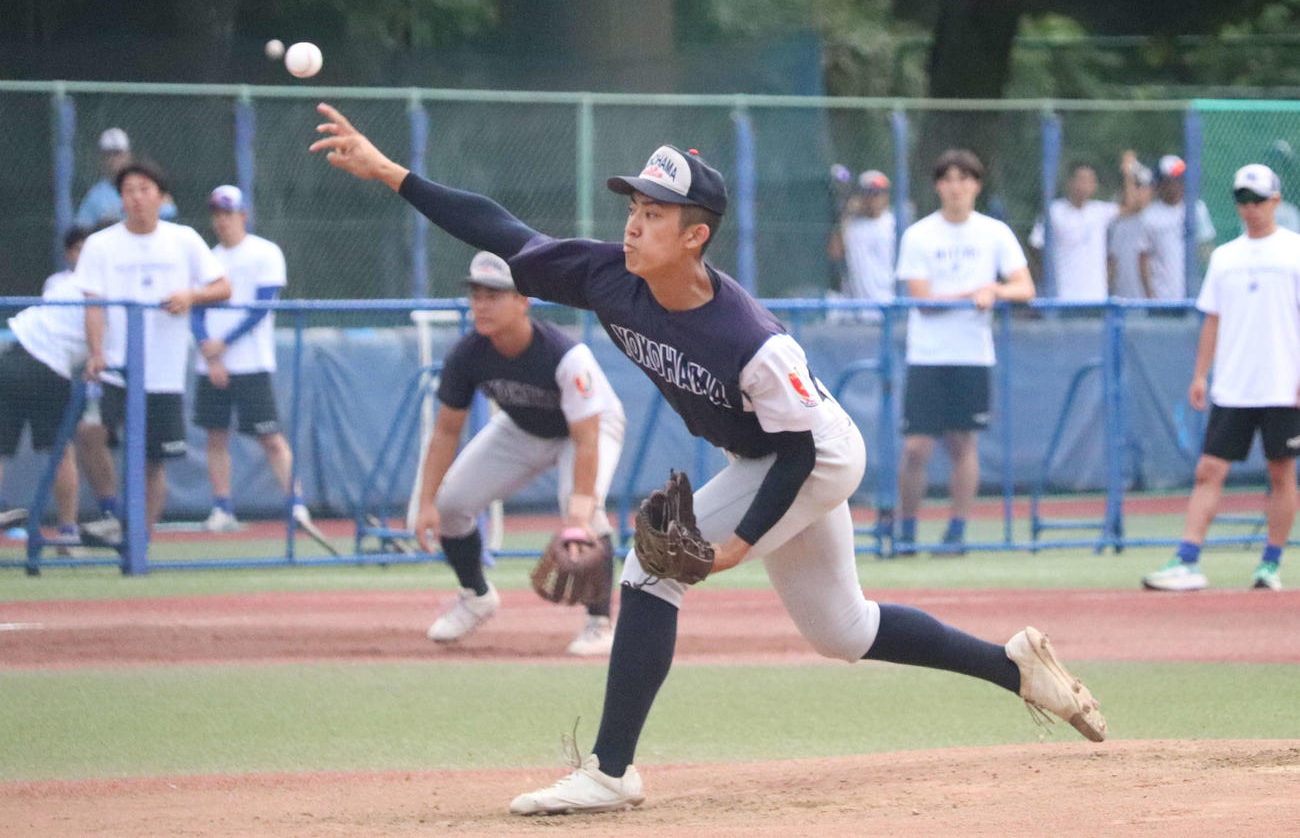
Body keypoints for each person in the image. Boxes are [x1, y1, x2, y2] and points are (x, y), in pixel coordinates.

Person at [309, 103, 1105, 817]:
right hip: (766, 455)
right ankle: (1014, 665)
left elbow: (798, 450)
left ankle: (611, 769)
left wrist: (736, 545)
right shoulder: (608, 278)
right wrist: (390, 173)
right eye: (633, 206)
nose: (633, 224)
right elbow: (502, 230)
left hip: (814, 455)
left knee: (650, 568)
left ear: (696, 235)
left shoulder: (750, 337)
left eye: (654, 213)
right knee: (844, 629)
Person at [413, 250, 626, 657]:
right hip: (524, 428)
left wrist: (579, 514)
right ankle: (476, 595)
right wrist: (426, 502)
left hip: (591, 426)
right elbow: (445, 432)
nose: (482, 304)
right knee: (452, 504)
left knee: (583, 510)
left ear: (523, 300)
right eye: (476, 294)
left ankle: (600, 623)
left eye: (494, 294)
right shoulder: (467, 355)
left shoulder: (565, 356)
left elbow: (586, 438)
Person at [1142, 164, 1300, 593]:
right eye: (1242, 200)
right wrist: (1200, 374)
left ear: (1275, 201)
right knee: (1209, 470)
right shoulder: (1226, 257)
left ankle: (1270, 564)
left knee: (1281, 472)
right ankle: (1187, 560)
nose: (1249, 208)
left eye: (1257, 200)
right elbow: (1213, 319)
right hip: (1234, 386)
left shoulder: (1294, 251)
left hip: (1284, 385)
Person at [74, 161, 231, 542]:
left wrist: (190, 295)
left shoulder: (185, 239)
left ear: (162, 197)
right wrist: (96, 352)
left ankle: (138, 542)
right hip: (115, 369)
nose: (137, 198)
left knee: (152, 463)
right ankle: (111, 510)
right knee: (89, 433)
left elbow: (222, 287)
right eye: (129, 190)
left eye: (145, 189)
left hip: (163, 374)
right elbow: (92, 304)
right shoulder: (100, 244)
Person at [894, 150, 1036, 553]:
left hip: (972, 354)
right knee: (916, 447)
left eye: (964, 178)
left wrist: (993, 290)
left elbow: (1024, 288)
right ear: (938, 186)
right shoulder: (919, 235)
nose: (956, 187)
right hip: (927, 355)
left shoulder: (995, 233)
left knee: (963, 445)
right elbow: (923, 299)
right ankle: (906, 529)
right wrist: (971, 293)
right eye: (948, 179)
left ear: (977, 184)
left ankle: (956, 531)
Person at [188, 185, 314, 536]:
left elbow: (261, 307)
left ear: (242, 215)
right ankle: (222, 508)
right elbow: (196, 310)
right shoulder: (208, 258)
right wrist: (208, 352)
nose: (222, 221)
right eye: (216, 214)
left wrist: (223, 344)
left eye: (228, 213)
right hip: (212, 364)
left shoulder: (265, 252)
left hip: (252, 362)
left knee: (270, 438)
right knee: (215, 437)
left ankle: (297, 506)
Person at [0, 226, 96, 554]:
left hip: (19, 354)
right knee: (59, 451)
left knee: (57, 451)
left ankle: (67, 531)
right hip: (39, 362)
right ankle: (68, 532)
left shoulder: (68, 283)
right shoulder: (78, 284)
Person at [1029, 162, 1118, 301]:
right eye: (1080, 180)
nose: (1084, 185)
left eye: (1089, 181)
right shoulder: (1054, 211)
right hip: (1063, 296)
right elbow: (1036, 245)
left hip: (1096, 297)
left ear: (1095, 186)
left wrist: (1128, 172)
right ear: (1070, 182)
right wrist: (1046, 276)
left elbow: (1132, 206)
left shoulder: (1100, 211)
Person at [1137, 154, 1216, 300]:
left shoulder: (1197, 209)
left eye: (1178, 180)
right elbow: (1143, 259)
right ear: (1160, 183)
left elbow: (1206, 249)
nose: (1174, 185)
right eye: (1169, 181)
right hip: (1162, 297)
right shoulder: (1149, 216)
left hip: (1193, 295)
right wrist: (1150, 296)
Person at [75, 128, 177, 229]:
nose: (113, 159)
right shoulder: (96, 195)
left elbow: (168, 216)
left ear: (128, 155)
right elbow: (82, 229)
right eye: (108, 155)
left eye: (118, 153)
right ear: (101, 159)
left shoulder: (146, 186)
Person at [826, 170, 896, 308]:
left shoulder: (894, 225)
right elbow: (834, 253)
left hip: (888, 302)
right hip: (857, 306)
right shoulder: (852, 226)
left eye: (877, 193)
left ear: (886, 196)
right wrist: (846, 215)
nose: (872, 198)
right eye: (868, 193)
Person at [1108, 153, 1155, 298]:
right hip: (1118, 300)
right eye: (1135, 185)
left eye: (1142, 186)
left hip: (1151, 301)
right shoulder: (1113, 219)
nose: (1138, 191)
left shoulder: (1154, 218)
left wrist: (1129, 172)